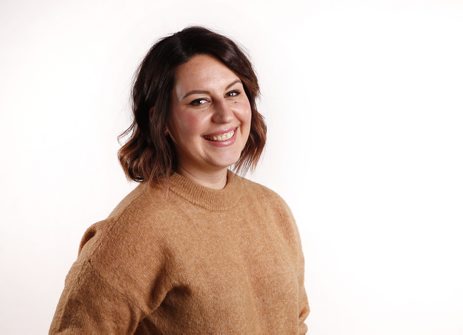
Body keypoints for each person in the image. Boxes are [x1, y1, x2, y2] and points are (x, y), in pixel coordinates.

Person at [49, 26, 309, 334]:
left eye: (233, 93)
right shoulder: (138, 230)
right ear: (163, 121)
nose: (225, 114)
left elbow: (295, 323)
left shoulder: (273, 210)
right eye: (199, 101)